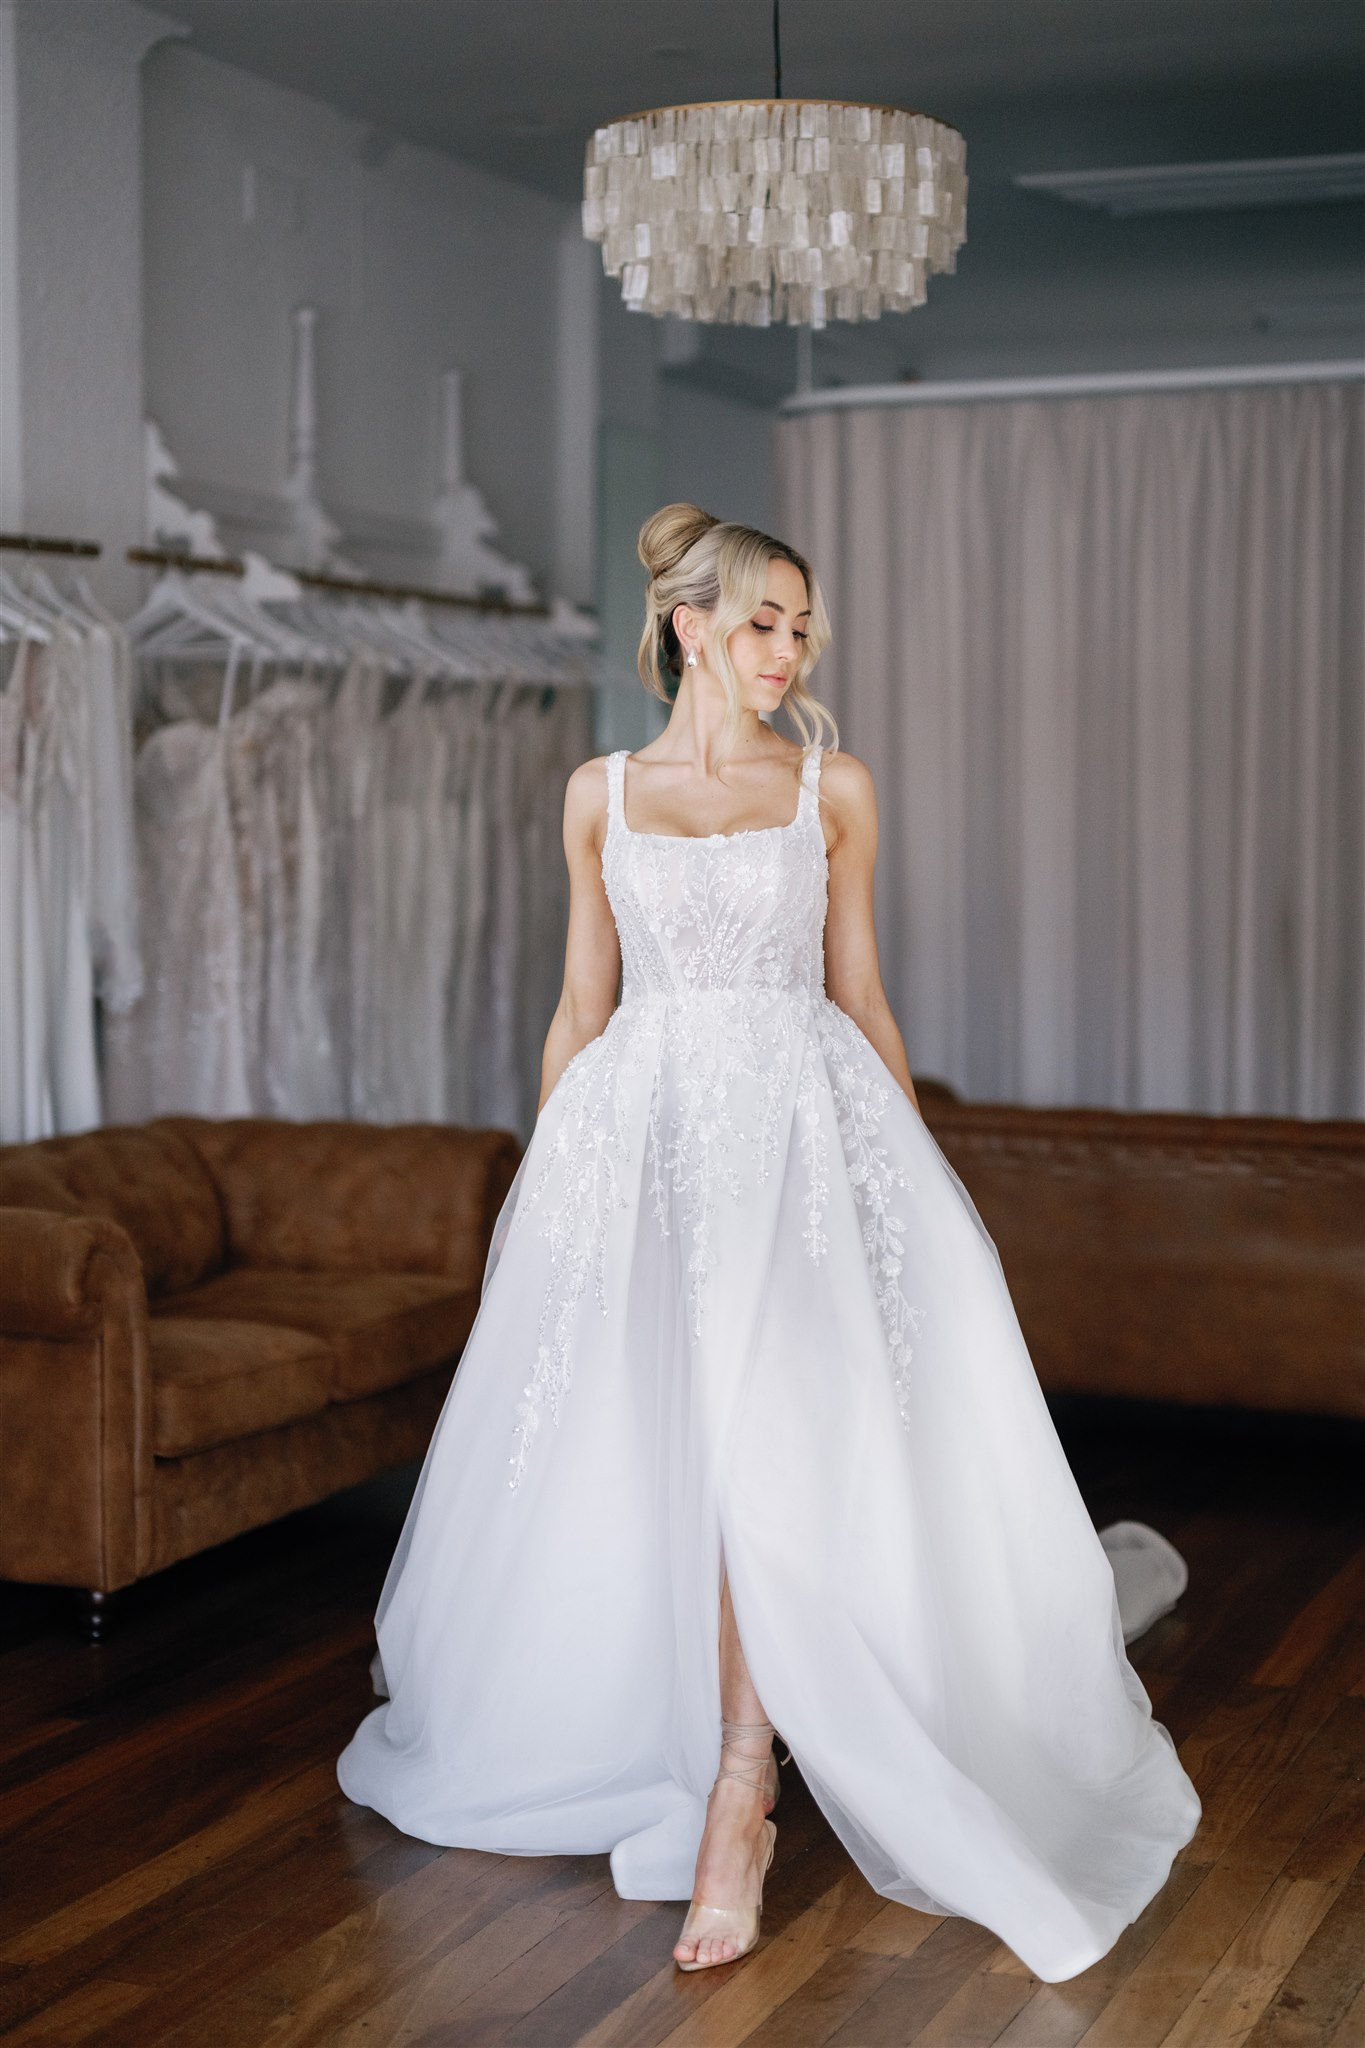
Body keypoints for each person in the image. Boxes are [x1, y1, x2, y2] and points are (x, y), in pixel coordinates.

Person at [337, 503, 1202, 1980]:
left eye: (802, 625)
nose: (788, 648)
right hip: (647, 1148)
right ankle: (698, 1742)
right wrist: (552, 1182)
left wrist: (915, 1171)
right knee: (660, 1455)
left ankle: (741, 1793)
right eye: (761, 621)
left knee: (767, 1454)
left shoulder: (835, 786)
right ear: (686, 626)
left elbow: (858, 994)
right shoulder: (596, 792)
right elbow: (578, 1002)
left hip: (802, 1150)